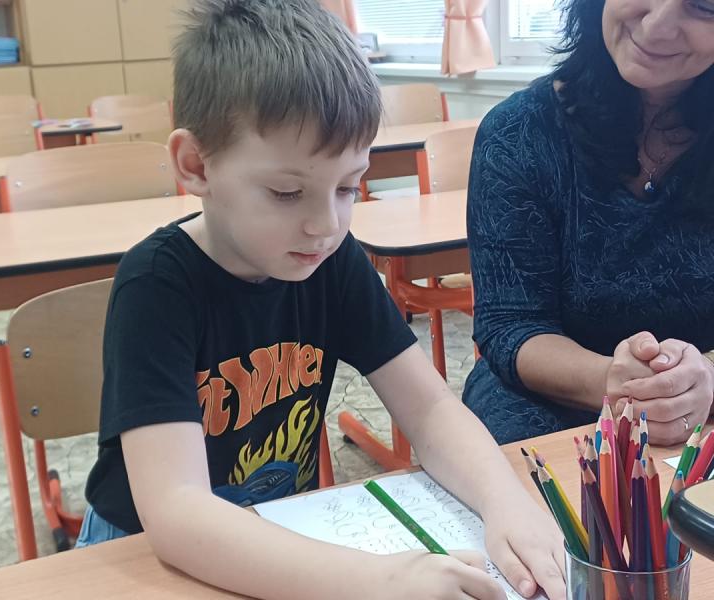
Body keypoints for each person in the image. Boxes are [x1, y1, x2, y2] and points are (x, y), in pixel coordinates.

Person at [77, 1, 566, 599]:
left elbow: (430, 410)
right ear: (196, 165)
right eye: (288, 192)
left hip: (271, 530)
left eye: (348, 187)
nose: (326, 225)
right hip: (141, 557)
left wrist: (504, 502)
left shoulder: (331, 261)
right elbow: (177, 512)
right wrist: (380, 582)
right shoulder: (157, 285)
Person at [463, 0, 714, 446]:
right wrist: (616, 383)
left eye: (703, 7)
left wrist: (703, 378)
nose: (657, 26)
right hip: (548, 397)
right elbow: (510, 324)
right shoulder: (519, 132)